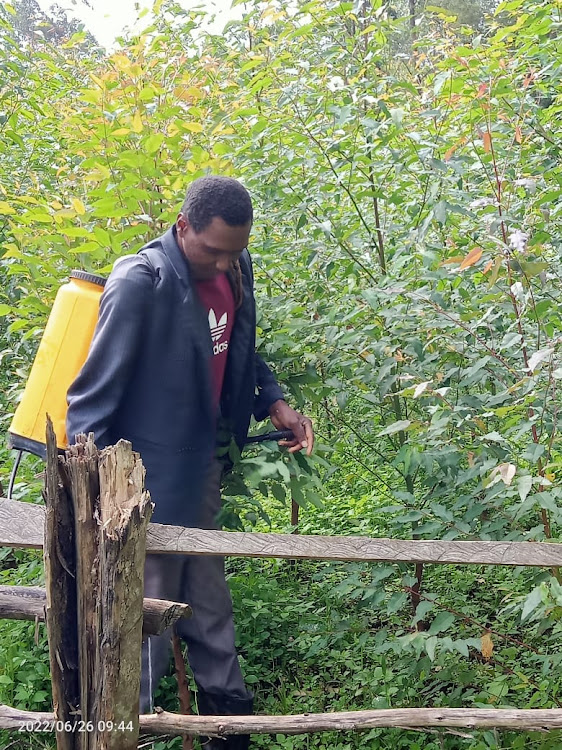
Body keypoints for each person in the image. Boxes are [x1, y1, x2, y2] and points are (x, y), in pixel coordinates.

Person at [66, 175, 314, 749]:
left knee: (208, 607)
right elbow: (90, 403)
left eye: (236, 252)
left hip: (199, 473)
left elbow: (241, 347)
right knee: (142, 626)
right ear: (183, 228)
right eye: (215, 250)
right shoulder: (141, 284)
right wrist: (105, 508)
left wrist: (274, 401)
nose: (226, 264)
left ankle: (227, 731)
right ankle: (132, 734)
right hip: (139, 491)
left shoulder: (233, 267)